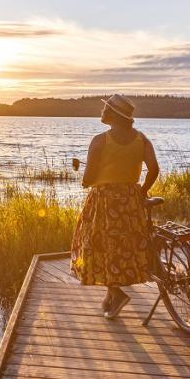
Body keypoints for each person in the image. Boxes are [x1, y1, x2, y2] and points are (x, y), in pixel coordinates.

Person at [71, 93, 160, 318]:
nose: (101, 112)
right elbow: (154, 169)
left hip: (105, 200)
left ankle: (116, 294)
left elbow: (89, 178)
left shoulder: (100, 141)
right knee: (123, 246)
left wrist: (87, 180)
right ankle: (112, 295)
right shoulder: (142, 140)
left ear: (114, 115)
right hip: (130, 201)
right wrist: (142, 191)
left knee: (100, 246)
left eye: (105, 109)